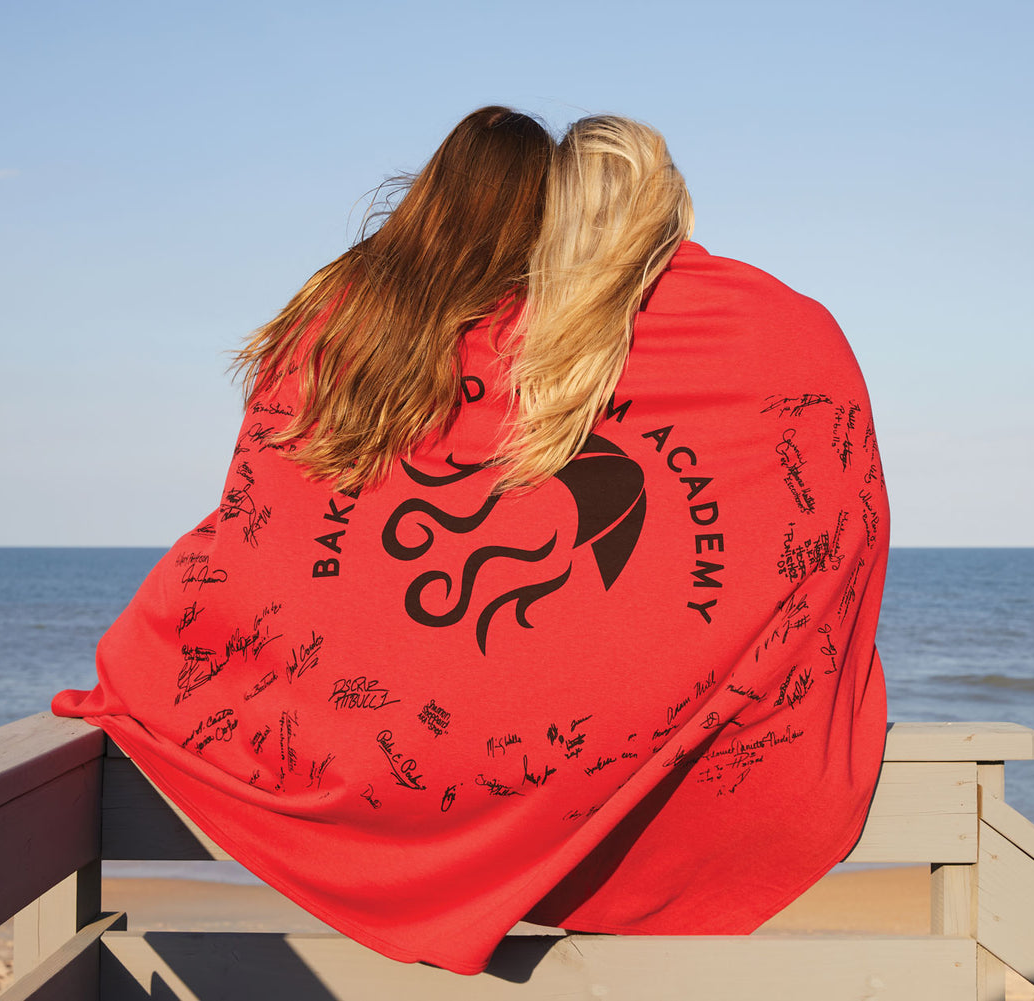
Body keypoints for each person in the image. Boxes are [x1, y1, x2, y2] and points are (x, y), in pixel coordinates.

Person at [54, 111, 888, 977]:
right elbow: (836, 545)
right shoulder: (770, 331)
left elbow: (268, 535)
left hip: (381, 796)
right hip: (700, 832)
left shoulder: (376, 321)